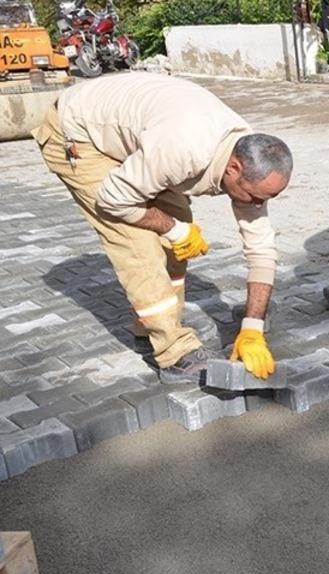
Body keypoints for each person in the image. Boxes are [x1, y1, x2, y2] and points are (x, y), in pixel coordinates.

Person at [35, 73, 291, 384]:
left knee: (173, 242)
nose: (256, 203)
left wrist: (252, 329)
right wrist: (173, 229)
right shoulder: (185, 150)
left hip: (142, 134)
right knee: (138, 243)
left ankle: (148, 328)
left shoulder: (250, 160)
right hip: (78, 134)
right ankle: (172, 352)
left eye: (268, 198)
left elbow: (261, 249)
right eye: (253, 196)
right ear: (234, 169)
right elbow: (113, 199)